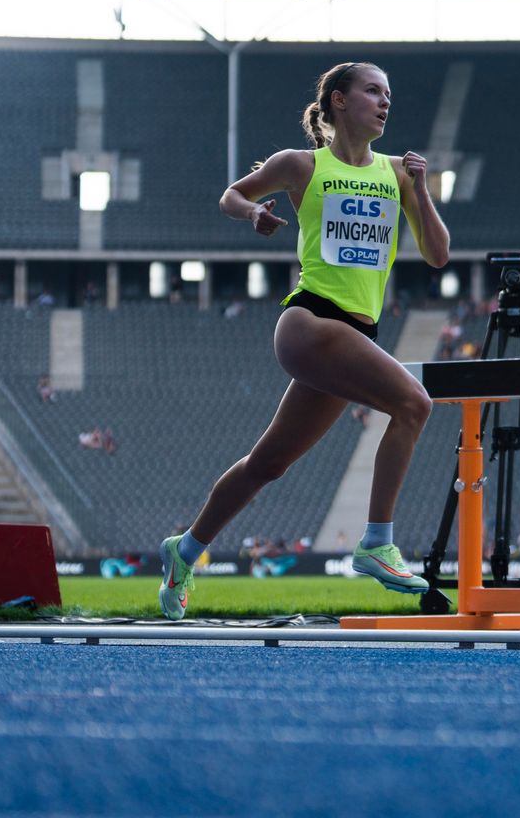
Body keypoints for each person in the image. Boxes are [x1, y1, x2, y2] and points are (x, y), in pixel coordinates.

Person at [158, 61, 449, 620]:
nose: (385, 102)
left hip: (354, 335)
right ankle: (377, 542)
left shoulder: (396, 173)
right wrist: (253, 215)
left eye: (389, 94)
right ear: (339, 101)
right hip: (310, 323)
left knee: (267, 464)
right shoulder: (302, 164)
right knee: (414, 404)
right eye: (372, 91)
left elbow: (438, 255)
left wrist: (422, 190)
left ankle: (185, 548)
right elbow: (231, 195)